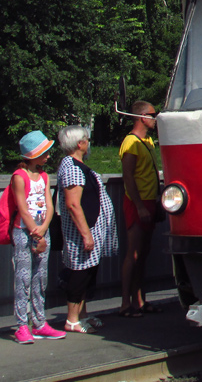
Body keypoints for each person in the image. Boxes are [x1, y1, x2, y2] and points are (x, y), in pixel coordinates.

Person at [57, 125, 117, 333]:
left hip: (91, 231)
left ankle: (82, 314)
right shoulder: (72, 167)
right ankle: (72, 319)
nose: (89, 144)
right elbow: (73, 204)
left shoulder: (79, 166)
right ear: (80, 143)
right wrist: (86, 234)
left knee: (88, 272)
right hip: (81, 234)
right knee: (79, 274)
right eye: (87, 140)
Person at [10, 131, 65, 344]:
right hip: (25, 232)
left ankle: (40, 323)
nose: (48, 156)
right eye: (44, 152)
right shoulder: (19, 177)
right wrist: (35, 231)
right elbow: (22, 208)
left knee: (40, 278)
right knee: (23, 278)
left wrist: (44, 228)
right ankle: (22, 325)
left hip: (42, 231)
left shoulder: (43, 177)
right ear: (33, 155)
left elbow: (50, 204)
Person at [119, 101, 162, 317]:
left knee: (144, 253)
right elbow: (128, 176)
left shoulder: (148, 141)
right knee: (133, 253)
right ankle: (125, 303)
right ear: (142, 116)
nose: (156, 118)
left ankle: (140, 300)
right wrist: (138, 205)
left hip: (150, 200)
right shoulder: (131, 142)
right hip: (138, 202)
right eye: (154, 115)